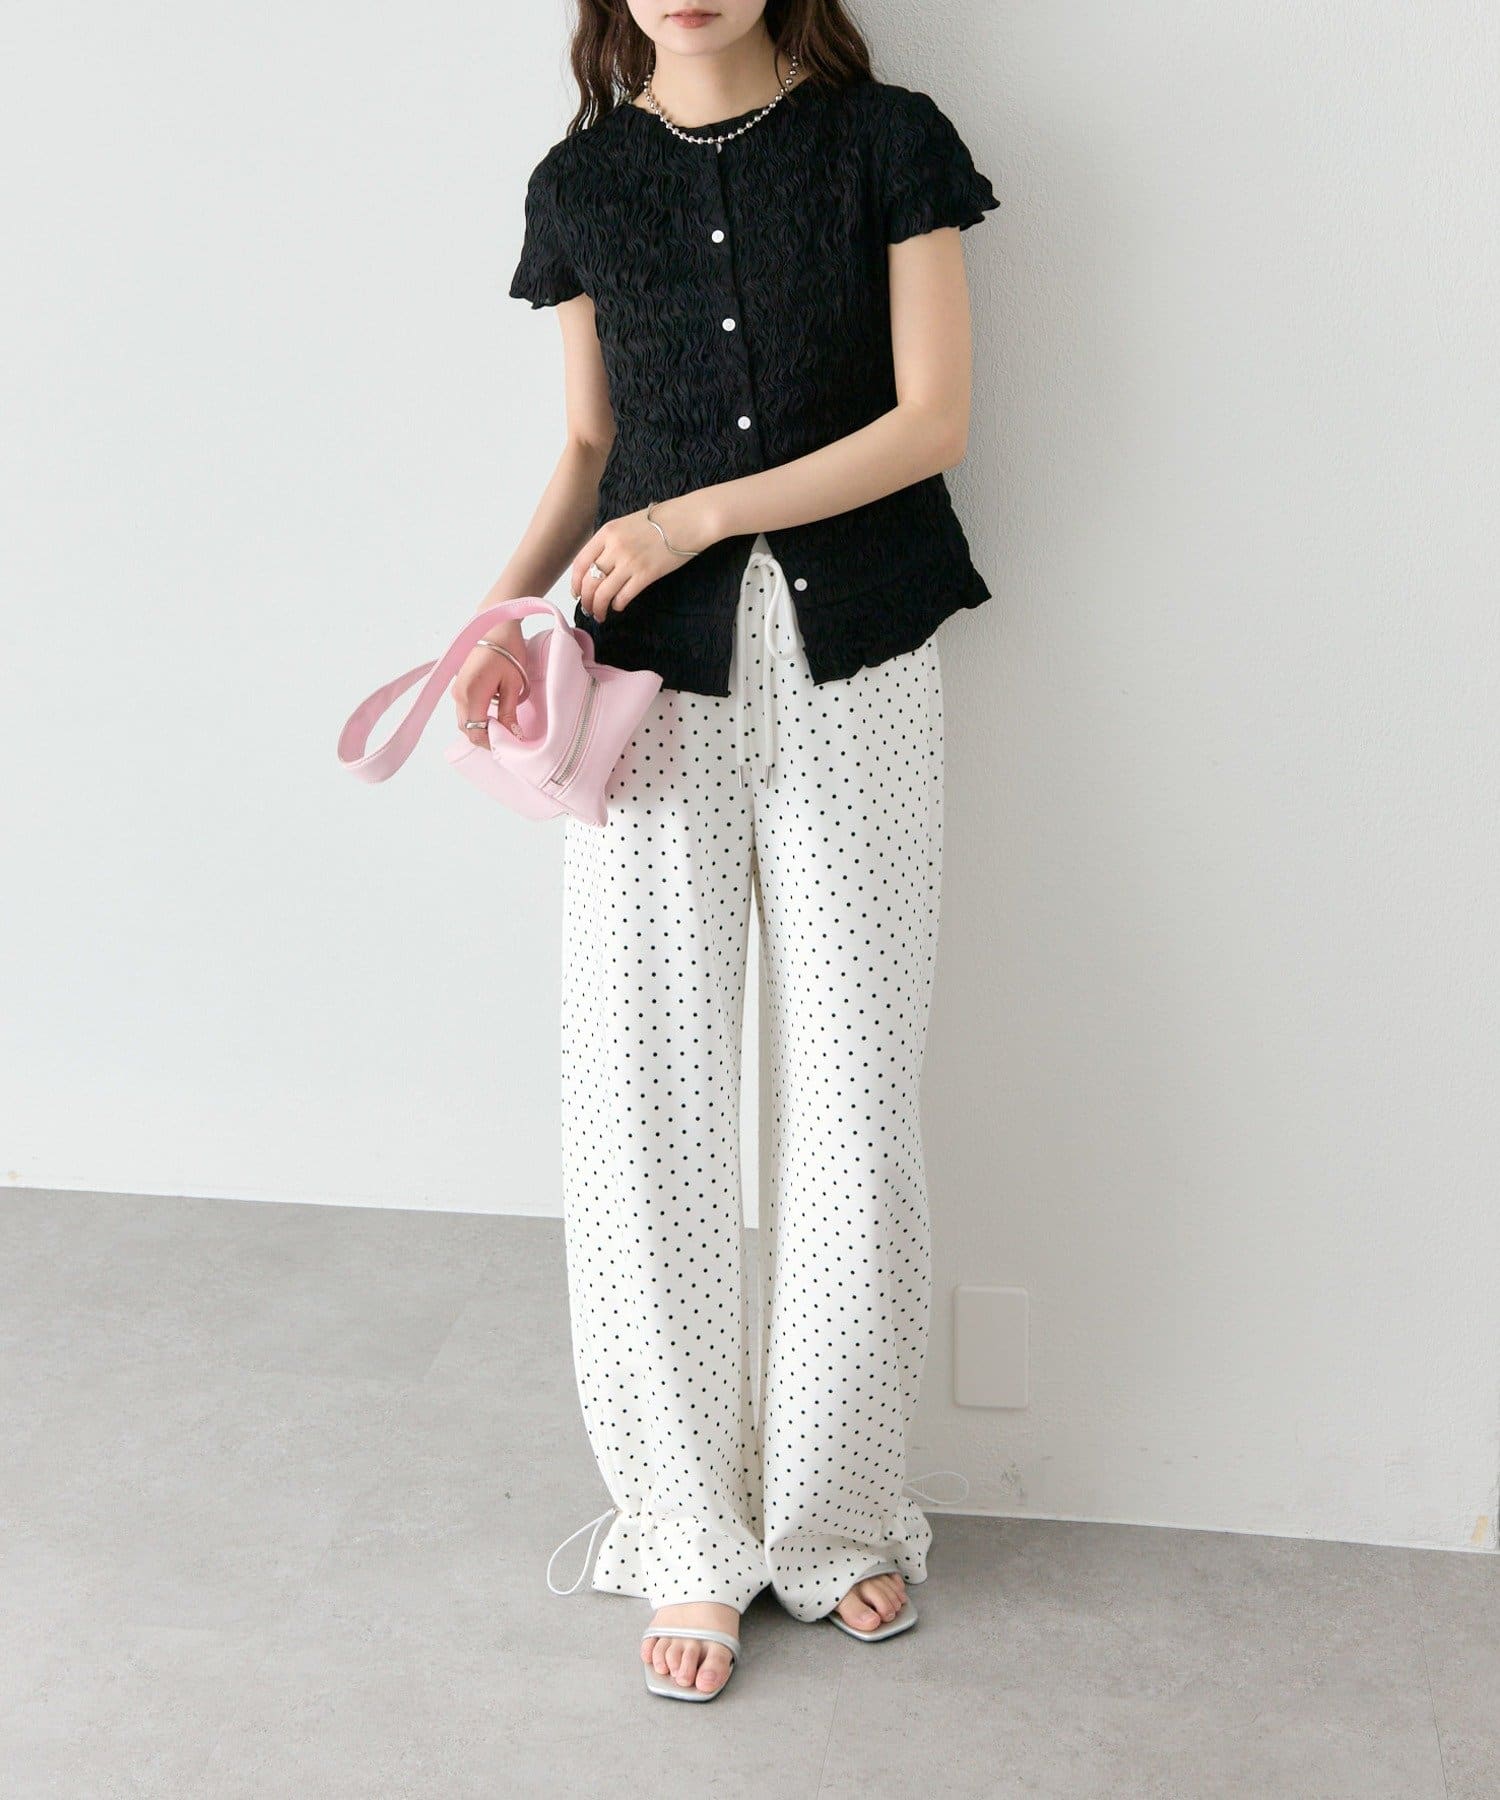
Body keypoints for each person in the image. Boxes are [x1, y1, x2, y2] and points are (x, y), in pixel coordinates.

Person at [453, 0, 998, 1702]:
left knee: (853, 1091)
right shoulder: (581, 183)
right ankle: (685, 1532)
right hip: (646, 685)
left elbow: (933, 423)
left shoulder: (889, 143)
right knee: (644, 1101)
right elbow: (588, 446)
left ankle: (836, 1517)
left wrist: (699, 514)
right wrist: (492, 619)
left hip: (861, 658)